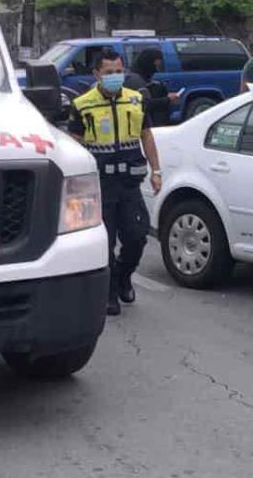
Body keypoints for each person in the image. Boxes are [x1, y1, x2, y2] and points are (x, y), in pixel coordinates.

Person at [68, 49, 162, 316]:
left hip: (129, 181)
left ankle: (123, 274)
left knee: (137, 235)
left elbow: (146, 135)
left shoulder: (136, 100)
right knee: (104, 241)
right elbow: (74, 144)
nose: (115, 76)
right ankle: (109, 292)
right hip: (100, 184)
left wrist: (157, 171)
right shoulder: (82, 104)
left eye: (119, 71)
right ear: (97, 74)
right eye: (109, 72)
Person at [128, 48, 179, 128]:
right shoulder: (135, 80)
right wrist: (167, 99)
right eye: (156, 63)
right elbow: (144, 104)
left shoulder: (146, 78)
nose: (157, 67)